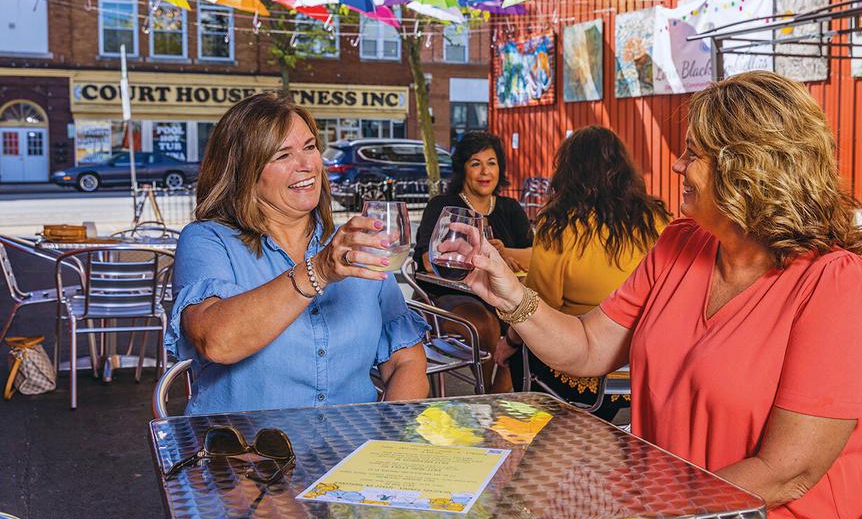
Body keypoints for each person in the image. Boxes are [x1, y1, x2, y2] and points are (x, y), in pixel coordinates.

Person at [462, 71, 862, 519]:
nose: (678, 165)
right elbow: (588, 347)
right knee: (506, 505)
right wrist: (511, 295)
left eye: (693, 153)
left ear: (747, 168)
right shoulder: (680, 243)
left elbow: (788, 474)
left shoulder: (836, 283)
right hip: (667, 502)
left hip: (764, 517)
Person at [167, 91, 429, 415]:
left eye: (310, 147)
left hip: (349, 441)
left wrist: (388, 431)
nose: (307, 165)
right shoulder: (208, 240)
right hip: (243, 443)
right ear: (244, 171)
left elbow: (406, 360)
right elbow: (216, 342)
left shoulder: (352, 245)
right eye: (282, 155)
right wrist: (317, 271)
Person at [493, 125, 671, 419]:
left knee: (517, 344)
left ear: (568, 171)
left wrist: (508, 342)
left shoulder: (559, 224)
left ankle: (522, 432)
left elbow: (536, 308)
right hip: (644, 372)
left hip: (583, 374)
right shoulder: (656, 219)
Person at [413, 130, 533, 392]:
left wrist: (505, 253)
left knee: (527, 325)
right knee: (486, 324)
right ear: (462, 169)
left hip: (502, 297)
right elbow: (427, 259)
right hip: (448, 296)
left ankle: (498, 394)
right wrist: (484, 256)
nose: (485, 172)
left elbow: (535, 255)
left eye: (491, 163)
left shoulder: (510, 208)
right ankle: (486, 392)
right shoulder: (443, 206)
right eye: (475, 164)